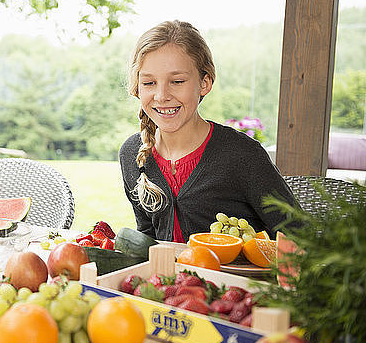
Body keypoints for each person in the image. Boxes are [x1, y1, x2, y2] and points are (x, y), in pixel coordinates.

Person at [119, 20, 296, 242]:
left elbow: (299, 236)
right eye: (149, 83)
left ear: (205, 83)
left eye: (177, 81)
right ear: (137, 87)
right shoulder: (131, 154)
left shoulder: (243, 155)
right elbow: (147, 237)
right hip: (166, 278)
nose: (162, 95)